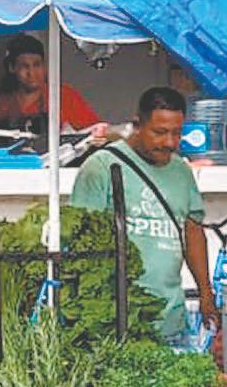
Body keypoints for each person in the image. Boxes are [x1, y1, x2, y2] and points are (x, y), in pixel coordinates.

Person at [72, 87, 216, 348]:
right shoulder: (100, 167)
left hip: (171, 320)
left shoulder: (181, 171)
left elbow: (192, 231)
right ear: (137, 125)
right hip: (116, 325)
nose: (169, 142)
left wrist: (206, 293)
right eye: (160, 132)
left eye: (176, 133)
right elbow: (81, 241)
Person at [0, 34, 102, 137]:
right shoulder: (4, 100)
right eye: (24, 66)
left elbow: (95, 131)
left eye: (37, 65)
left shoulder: (63, 96)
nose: (31, 73)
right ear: (12, 68)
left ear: (44, 66)